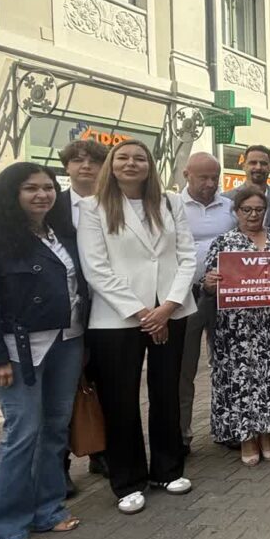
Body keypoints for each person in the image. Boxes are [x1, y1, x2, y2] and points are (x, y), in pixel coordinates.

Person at [0, 163, 87, 539]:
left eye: (48, 187)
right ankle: (5, 527)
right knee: (23, 432)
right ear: (10, 192)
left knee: (55, 429)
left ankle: (48, 509)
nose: (42, 195)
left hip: (67, 341)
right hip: (17, 351)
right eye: (30, 188)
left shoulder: (58, 233)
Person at [77, 139, 197, 515]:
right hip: (117, 318)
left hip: (171, 310)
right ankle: (128, 480)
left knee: (166, 391)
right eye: (123, 158)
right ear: (111, 165)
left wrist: (168, 307)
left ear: (150, 166)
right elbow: (96, 268)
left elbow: (187, 256)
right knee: (120, 399)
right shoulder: (93, 207)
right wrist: (144, 314)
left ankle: (167, 469)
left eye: (139, 158)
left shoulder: (170, 202)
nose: (131, 163)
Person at [202, 187, 270, 466]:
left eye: (258, 209)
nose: (253, 215)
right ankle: (247, 436)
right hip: (238, 328)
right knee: (243, 381)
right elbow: (207, 286)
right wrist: (210, 283)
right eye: (246, 209)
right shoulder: (224, 242)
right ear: (236, 212)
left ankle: (268, 433)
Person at [54, 139, 110, 492]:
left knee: (103, 386)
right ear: (67, 167)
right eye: (77, 160)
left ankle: (100, 453)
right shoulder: (53, 207)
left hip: (106, 309)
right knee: (63, 391)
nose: (85, 166)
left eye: (93, 161)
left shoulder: (113, 204)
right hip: (66, 312)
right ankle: (58, 464)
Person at [179, 153, 235, 453]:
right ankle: (182, 435)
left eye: (215, 177)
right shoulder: (172, 207)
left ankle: (228, 428)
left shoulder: (229, 207)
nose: (210, 183)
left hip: (225, 298)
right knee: (183, 369)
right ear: (186, 175)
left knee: (226, 365)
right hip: (186, 297)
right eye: (203, 177)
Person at [224, 145, 270, 228]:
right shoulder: (228, 199)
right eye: (253, 163)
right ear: (244, 166)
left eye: (263, 163)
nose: (258, 167)